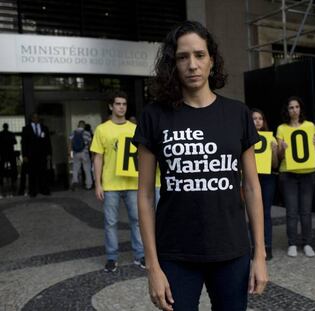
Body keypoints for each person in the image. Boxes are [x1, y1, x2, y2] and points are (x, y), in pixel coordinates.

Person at [134, 21, 268, 311]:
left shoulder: (237, 113)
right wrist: (153, 267)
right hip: (175, 253)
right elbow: (144, 194)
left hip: (232, 251)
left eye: (199, 55)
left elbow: (252, 186)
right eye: (183, 57)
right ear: (173, 64)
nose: (192, 65)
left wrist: (259, 255)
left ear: (212, 60)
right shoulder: (154, 116)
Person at [90, 91, 145, 272]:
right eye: (118, 104)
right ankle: (112, 258)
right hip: (111, 184)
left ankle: (140, 255)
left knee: (137, 221)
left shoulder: (134, 128)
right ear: (111, 106)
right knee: (110, 222)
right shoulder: (102, 129)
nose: (121, 107)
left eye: (124, 104)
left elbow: (142, 156)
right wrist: (98, 183)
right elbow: (98, 158)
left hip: (132, 183)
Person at [277, 97, 315, 258]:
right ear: (287, 111)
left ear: (301, 109)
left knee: (306, 211)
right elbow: (279, 156)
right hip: (288, 173)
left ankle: (307, 243)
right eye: (291, 107)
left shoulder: (310, 126)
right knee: (292, 211)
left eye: (297, 107)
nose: (294, 110)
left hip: (308, 172)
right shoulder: (281, 128)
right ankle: (292, 243)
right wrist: (282, 149)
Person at [251, 108, 278, 260]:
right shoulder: (244, 137)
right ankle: (253, 246)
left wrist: (274, 151)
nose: (257, 121)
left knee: (265, 213)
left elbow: (274, 165)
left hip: (267, 178)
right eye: (254, 118)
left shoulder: (270, 138)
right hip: (250, 178)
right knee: (250, 214)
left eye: (260, 118)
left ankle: (267, 246)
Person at [21, 113, 52, 197]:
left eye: (37, 117)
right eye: (34, 117)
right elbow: (23, 143)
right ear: (31, 118)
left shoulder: (44, 128)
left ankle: (44, 190)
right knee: (32, 174)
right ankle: (32, 191)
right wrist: (24, 155)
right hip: (31, 155)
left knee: (43, 173)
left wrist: (49, 153)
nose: (36, 118)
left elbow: (48, 142)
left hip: (42, 154)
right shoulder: (26, 129)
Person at [69, 120, 93, 190]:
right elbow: (90, 146)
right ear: (84, 126)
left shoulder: (72, 133)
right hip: (85, 153)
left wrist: (70, 155)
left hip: (76, 153)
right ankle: (88, 185)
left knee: (75, 169)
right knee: (87, 170)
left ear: (78, 125)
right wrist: (92, 155)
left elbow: (70, 145)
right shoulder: (87, 133)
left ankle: (75, 181)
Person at [0, 123, 18, 197]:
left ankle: (1, 182)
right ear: (7, 127)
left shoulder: (0, 134)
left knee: (1, 167)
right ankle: (13, 180)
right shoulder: (11, 134)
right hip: (10, 153)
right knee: (13, 167)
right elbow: (15, 142)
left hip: (3, 153)